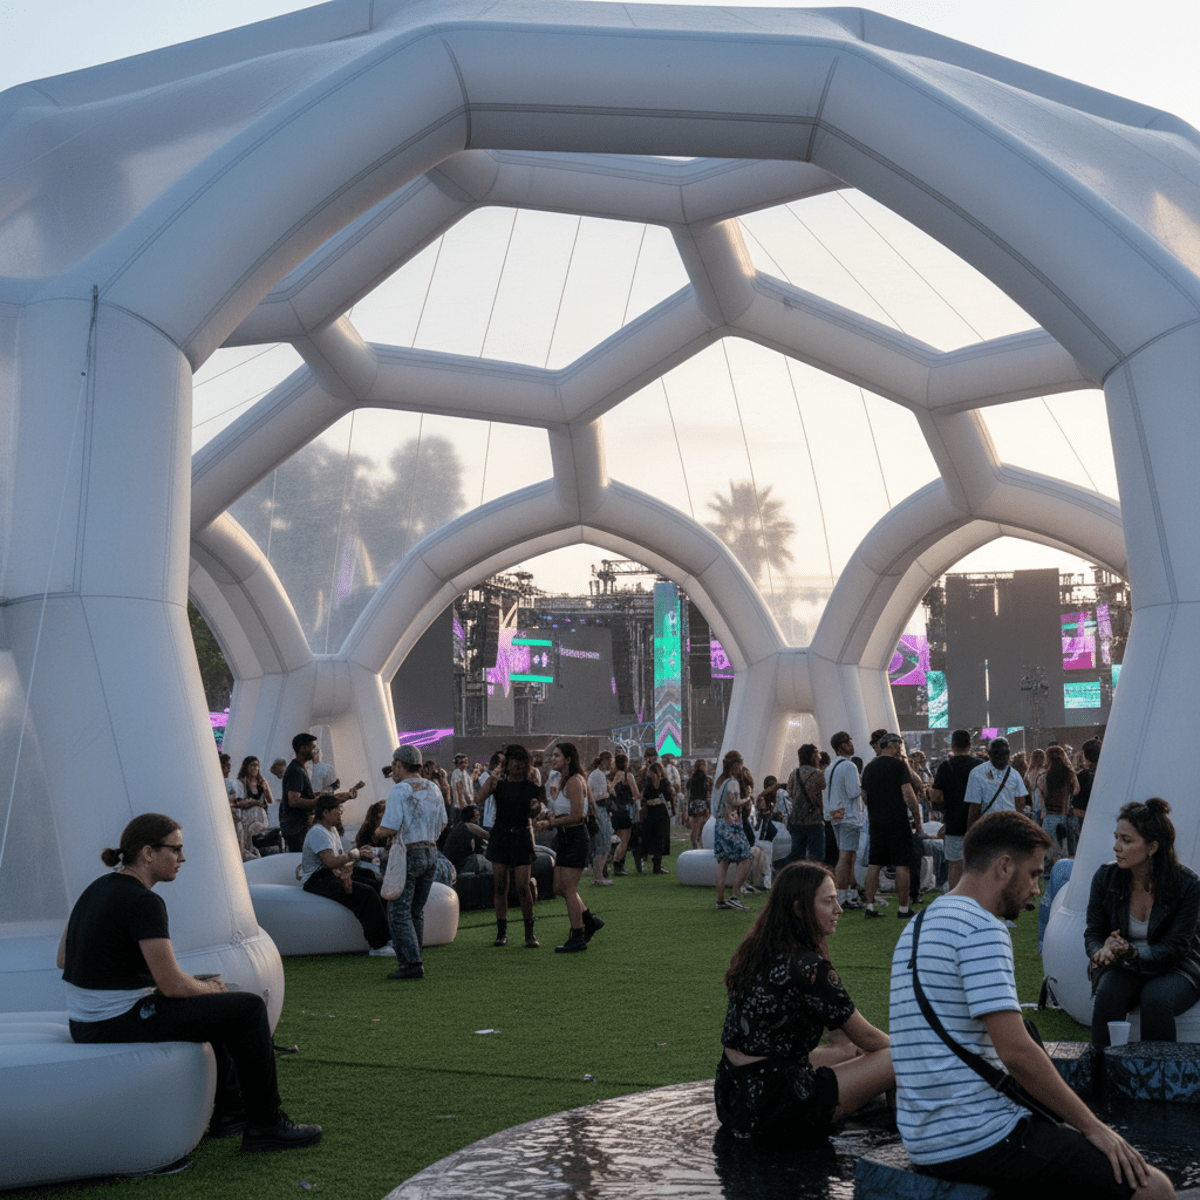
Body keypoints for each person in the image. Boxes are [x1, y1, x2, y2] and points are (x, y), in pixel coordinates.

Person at [889, 811, 1175, 1199]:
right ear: (1005, 867)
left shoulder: (920, 923)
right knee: (1154, 1188)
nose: (1037, 891)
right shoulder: (981, 927)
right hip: (976, 1136)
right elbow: (1016, 1052)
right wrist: (1095, 1128)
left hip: (924, 1135)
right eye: (1035, 874)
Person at [57, 813, 321, 1152]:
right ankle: (266, 1124)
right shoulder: (143, 901)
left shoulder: (96, 888)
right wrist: (206, 988)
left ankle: (231, 1111)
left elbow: (64, 958)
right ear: (149, 852)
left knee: (223, 1003)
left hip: (89, 1021)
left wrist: (186, 987)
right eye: (176, 850)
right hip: (112, 1021)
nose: (183, 858)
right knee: (248, 1007)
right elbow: (172, 987)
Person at [715, 862, 894, 1143]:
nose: (839, 910)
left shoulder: (757, 950)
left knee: (848, 1049)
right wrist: (910, 1062)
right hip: (777, 1105)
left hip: (733, 1094)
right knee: (898, 1058)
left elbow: (845, 1038)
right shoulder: (808, 968)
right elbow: (869, 1037)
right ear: (799, 909)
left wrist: (859, 1058)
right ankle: (912, 1127)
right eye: (829, 902)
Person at [1086, 798, 1200, 1047]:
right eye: (1116, 837)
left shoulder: (1188, 884)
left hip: (1175, 967)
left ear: (1152, 848)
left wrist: (1130, 951)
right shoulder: (1105, 877)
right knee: (1108, 995)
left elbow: (1175, 947)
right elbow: (1093, 932)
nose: (1116, 847)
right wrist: (1101, 951)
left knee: (1156, 999)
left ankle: (1157, 1079)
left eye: (1126, 840)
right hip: (1126, 964)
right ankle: (1100, 1074)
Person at [378, 744, 446, 980]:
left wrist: (375, 833)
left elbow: (390, 827)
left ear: (399, 764)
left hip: (409, 852)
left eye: (394, 766)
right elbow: (444, 823)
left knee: (398, 910)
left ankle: (411, 963)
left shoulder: (399, 790)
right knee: (416, 910)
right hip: (431, 852)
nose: (393, 772)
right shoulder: (434, 788)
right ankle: (415, 958)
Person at [534, 742, 605, 952]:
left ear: (568, 759)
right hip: (565, 837)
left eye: (557, 756)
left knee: (569, 889)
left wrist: (550, 823)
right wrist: (548, 815)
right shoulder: (559, 779)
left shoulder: (574, 781)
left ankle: (578, 936)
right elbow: (561, 809)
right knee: (558, 888)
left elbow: (577, 815)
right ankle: (589, 920)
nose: (552, 759)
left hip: (575, 837)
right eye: (552, 756)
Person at [301, 795, 392, 954]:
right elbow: (330, 862)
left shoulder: (332, 829)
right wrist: (353, 855)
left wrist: (352, 864)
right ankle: (378, 945)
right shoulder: (318, 832)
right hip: (317, 879)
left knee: (373, 880)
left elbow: (340, 860)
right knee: (367, 894)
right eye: (337, 810)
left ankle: (389, 936)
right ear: (326, 812)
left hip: (332, 872)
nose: (340, 813)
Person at [477, 744, 542, 948]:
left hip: (522, 835)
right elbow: (479, 798)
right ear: (506, 762)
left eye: (521, 760)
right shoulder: (499, 784)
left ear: (527, 764)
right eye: (512, 759)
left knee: (523, 886)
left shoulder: (532, 787)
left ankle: (529, 932)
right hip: (501, 835)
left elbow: (535, 813)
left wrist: (536, 808)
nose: (517, 764)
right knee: (500, 886)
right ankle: (501, 932)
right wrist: (494, 775)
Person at [861, 733, 922, 919]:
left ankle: (869, 906)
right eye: (898, 745)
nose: (899, 749)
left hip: (877, 822)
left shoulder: (869, 767)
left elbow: (863, 795)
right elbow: (908, 794)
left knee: (875, 863)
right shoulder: (899, 765)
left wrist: (875, 808)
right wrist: (917, 817)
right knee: (902, 863)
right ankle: (903, 908)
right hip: (897, 820)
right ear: (890, 745)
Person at [930, 729, 975, 890]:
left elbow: (935, 796)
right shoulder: (979, 765)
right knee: (975, 865)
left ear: (953, 745)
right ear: (970, 745)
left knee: (955, 864)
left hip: (954, 822)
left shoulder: (945, 766)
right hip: (977, 823)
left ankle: (954, 901)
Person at [824, 732, 864, 909]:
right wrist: (862, 783)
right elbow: (854, 792)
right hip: (849, 815)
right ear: (841, 746)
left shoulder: (831, 767)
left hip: (837, 815)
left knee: (848, 855)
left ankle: (848, 893)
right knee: (846, 856)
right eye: (848, 742)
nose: (852, 744)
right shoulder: (849, 766)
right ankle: (841, 896)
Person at [713, 750, 753, 911]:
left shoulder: (719, 781)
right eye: (741, 764)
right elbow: (734, 802)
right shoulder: (732, 782)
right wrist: (748, 797)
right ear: (736, 764)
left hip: (719, 822)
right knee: (746, 857)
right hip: (731, 820)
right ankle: (735, 896)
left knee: (724, 861)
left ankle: (720, 900)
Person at [964, 736, 1027, 829]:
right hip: (1010, 826)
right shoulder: (1015, 775)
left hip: (987, 826)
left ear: (989, 754)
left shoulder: (977, 773)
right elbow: (1020, 805)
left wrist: (970, 831)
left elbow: (975, 808)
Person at [784, 744, 826, 864]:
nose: (819, 757)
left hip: (796, 820)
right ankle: (814, 881)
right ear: (812, 756)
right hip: (814, 820)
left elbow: (789, 794)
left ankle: (797, 880)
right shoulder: (819, 774)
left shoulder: (794, 774)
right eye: (817, 754)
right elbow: (824, 795)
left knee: (797, 858)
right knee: (816, 858)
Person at [639, 760, 673, 874]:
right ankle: (653, 861)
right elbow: (644, 796)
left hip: (659, 812)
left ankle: (657, 863)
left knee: (660, 837)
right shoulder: (648, 782)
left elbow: (669, 796)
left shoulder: (663, 782)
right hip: (651, 812)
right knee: (652, 836)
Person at [587, 751, 615, 886]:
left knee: (605, 843)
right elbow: (592, 795)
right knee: (602, 843)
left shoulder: (600, 775)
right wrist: (606, 794)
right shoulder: (597, 774)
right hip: (599, 810)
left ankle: (600, 876)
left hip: (602, 810)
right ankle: (598, 877)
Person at [609, 752, 639, 875]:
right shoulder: (628, 776)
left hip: (614, 810)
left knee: (617, 838)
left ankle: (617, 863)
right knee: (624, 840)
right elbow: (636, 794)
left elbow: (610, 792)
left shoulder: (612, 777)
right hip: (626, 811)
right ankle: (618, 864)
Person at [687, 758, 712, 850]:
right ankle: (699, 844)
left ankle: (695, 845)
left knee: (695, 827)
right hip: (702, 803)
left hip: (694, 803)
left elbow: (689, 792)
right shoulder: (704, 777)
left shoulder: (692, 778)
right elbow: (705, 792)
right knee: (702, 826)